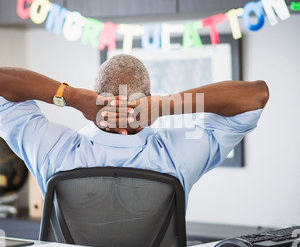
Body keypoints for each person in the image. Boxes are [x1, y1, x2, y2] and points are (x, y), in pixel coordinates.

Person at [0, 54, 269, 207]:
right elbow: (255, 96)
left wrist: (71, 96)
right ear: (149, 98)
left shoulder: (55, 151)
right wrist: (167, 104)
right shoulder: (177, 155)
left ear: (95, 97)